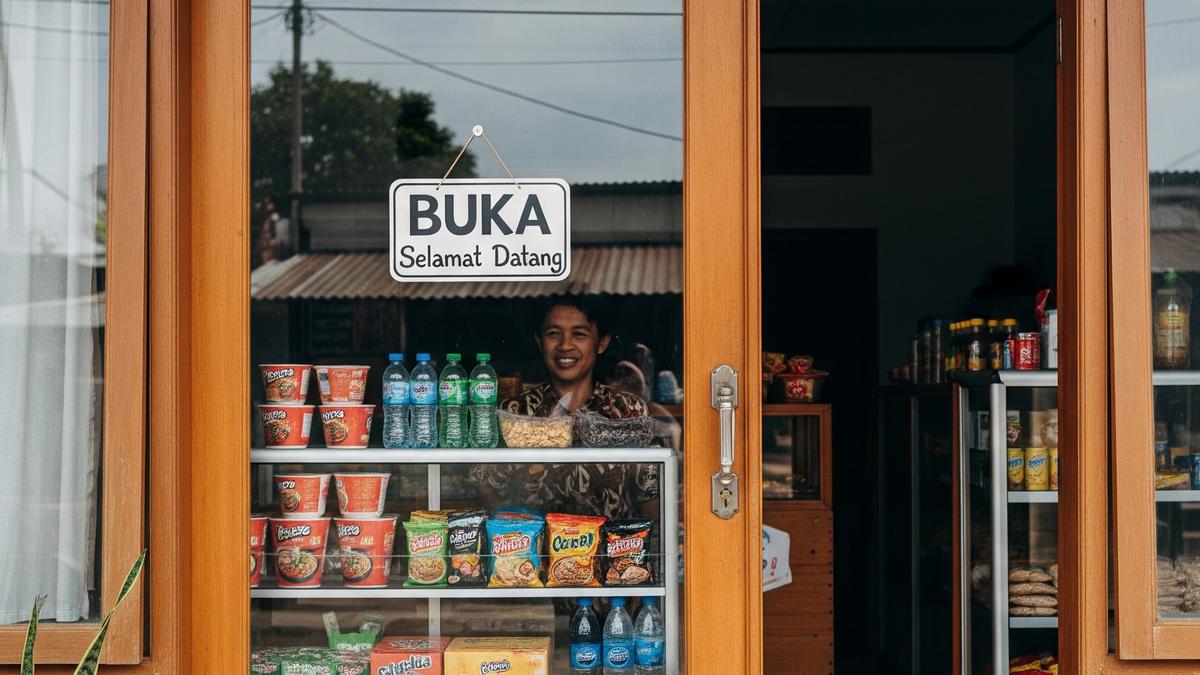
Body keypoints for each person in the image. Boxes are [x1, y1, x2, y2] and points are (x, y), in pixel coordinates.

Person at [469, 297, 659, 520]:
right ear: (539, 342)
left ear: (602, 343)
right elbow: (484, 484)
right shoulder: (514, 411)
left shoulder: (628, 410)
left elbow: (650, 496)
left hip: (615, 552)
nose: (565, 345)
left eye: (579, 334)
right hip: (530, 553)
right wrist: (512, 531)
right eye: (553, 334)